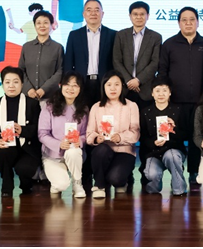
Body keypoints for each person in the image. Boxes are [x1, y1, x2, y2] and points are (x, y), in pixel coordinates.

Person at [158, 7, 203, 191]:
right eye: (184, 20)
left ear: (198, 21)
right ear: (178, 22)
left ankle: (194, 172)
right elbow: (162, 72)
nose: (188, 23)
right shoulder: (169, 44)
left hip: (200, 101)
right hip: (176, 102)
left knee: (197, 137)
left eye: (192, 19)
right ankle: (177, 172)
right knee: (177, 137)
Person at [0, 66, 41, 198]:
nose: (11, 86)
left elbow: (39, 128)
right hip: (7, 146)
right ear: (2, 84)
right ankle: (7, 184)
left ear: (22, 84)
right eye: (7, 82)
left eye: (16, 82)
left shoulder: (32, 104)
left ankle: (26, 184)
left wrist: (23, 130)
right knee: (1, 153)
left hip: (27, 147)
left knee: (25, 168)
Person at [86, 71, 140, 199]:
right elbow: (89, 134)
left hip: (125, 151)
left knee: (116, 178)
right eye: (109, 85)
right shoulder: (96, 107)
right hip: (104, 150)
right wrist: (96, 138)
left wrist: (120, 137)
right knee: (100, 151)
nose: (113, 88)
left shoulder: (131, 106)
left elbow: (136, 133)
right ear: (103, 87)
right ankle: (99, 185)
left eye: (117, 84)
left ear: (122, 86)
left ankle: (123, 179)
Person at [37, 72, 89, 198]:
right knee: (61, 185)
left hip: (74, 153)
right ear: (61, 86)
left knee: (73, 152)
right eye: (67, 85)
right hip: (53, 155)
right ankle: (57, 181)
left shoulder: (84, 109)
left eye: (75, 85)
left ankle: (77, 183)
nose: (70, 89)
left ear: (80, 89)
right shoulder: (49, 106)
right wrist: (59, 144)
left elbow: (86, 134)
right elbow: (42, 134)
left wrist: (80, 141)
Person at [139, 77, 188, 196]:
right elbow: (142, 137)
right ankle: (155, 186)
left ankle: (179, 189)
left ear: (170, 92)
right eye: (157, 90)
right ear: (152, 93)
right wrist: (153, 143)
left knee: (172, 156)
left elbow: (185, 135)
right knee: (151, 175)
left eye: (165, 90)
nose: (161, 94)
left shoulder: (178, 110)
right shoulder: (145, 112)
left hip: (173, 151)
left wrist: (174, 129)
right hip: (153, 153)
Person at [63, 0, 116, 104]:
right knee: (82, 112)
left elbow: (116, 62)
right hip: (81, 83)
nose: (93, 13)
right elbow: (68, 62)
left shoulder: (113, 35)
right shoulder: (74, 35)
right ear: (83, 14)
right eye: (89, 10)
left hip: (105, 83)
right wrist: (67, 84)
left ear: (102, 14)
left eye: (97, 10)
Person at [113, 1, 162, 109]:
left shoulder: (156, 37)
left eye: (142, 14)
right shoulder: (121, 35)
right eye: (135, 14)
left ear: (148, 16)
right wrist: (129, 81)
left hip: (145, 89)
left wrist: (138, 80)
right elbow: (116, 60)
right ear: (130, 16)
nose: (139, 17)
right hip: (125, 88)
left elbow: (155, 62)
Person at [17, 10, 63, 101]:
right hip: (28, 96)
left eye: (46, 23)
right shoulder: (26, 47)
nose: (42, 26)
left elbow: (60, 71)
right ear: (34, 26)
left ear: (51, 25)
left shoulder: (58, 47)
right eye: (38, 23)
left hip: (50, 98)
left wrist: (44, 89)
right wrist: (29, 89)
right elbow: (21, 70)